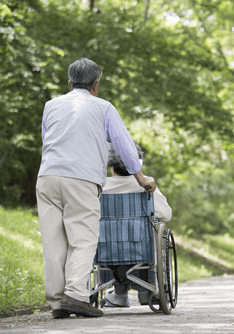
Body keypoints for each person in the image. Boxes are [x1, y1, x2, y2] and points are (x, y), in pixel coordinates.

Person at [36, 58, 156, 319]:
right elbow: (124, 146)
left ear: (69, 84)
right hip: (81, 179)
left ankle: (57, 304)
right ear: (96, 85)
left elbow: (47, 141)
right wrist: (140, 178)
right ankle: (77, 296)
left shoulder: (50, 106)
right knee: (83, 239)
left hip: (46, 176)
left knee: (53, 241)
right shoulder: (104, 108)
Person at [101, 143, 172, 308]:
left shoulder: (101, 186)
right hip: (141, 250)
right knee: (150, 234)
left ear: (111, 167)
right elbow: (166, 214)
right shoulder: (146, 186)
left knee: (111, 239)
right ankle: (146, 290)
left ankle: (119, 292)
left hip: (107, 251)